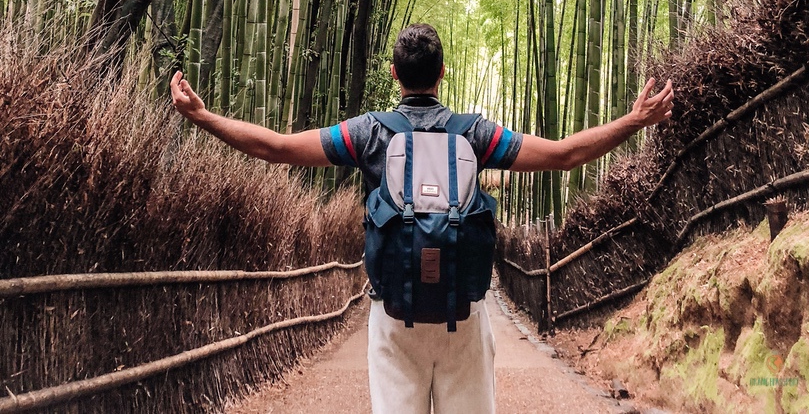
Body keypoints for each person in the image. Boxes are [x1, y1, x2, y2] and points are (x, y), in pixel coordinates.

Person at [171, 22, 673, 414]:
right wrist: (634, 120)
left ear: (394, 74)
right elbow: (563, 155)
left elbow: (278, 148)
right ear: (442, 72)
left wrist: (202, 115)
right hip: (464, 317)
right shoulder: (474, 134)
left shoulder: (369, 134)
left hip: (394, 317)